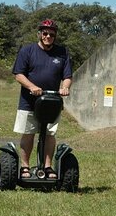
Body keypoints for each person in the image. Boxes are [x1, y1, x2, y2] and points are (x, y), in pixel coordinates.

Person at [12, 19, 73, 179]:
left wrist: (65, 87)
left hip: (52, 101)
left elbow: (67, 76)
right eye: (45, 33)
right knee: (28, 133)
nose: (48, 37)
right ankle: (25, 167)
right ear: (39, 33)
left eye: (51, 34)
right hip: (29, 100)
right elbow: (19, 74)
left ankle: (47, 167)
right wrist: (32, 87)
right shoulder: (27, 51)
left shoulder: (62, 52)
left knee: (50, 134)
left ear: (55, 36)